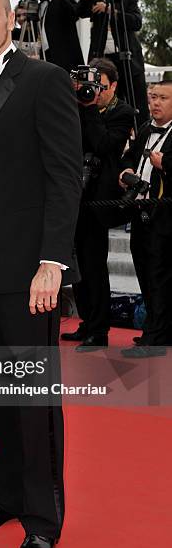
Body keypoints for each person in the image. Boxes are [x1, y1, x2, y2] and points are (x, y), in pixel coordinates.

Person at [0, 0, 82, 548]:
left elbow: (64, 178)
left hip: (30, 271)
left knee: (33, 400)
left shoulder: (45, 79)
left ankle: (42, 518)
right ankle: (4, 497)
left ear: (13, 18)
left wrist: (52, 262)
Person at [62, 58, 134, 350]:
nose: (93, 91)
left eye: (99, 87)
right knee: (76, 265)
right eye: (88, 85)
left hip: (98, 200)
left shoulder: (123, 112)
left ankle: (99, 330)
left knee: (94, 265)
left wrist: (89, 108)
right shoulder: (75, 104)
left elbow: (104, 145)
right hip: (72, 197)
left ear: (113, 85)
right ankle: (87, 322)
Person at [119, 80, 172, 358]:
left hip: (165, 220)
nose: (155, 103)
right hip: (140, 215)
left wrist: (166, 164)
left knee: (160, 278)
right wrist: (125, 171)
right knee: (145, 274)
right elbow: (127, 158)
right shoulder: (144, 130)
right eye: (152, 97)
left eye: (162, 97)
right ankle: (153, 329)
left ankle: (157, 337)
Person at [77, 0, 149, 128]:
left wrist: (110, 10)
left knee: (137, 102)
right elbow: (80, 10)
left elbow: (136, 22)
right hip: (103, 61)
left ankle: (142, 138)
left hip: (128, 59)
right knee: (103, 101)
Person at [12, 0, 84, 73]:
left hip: (65, 59)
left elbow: (74, 14)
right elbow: (32, 32)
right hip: (47, 56)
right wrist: (8, 31)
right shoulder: (40, 5)